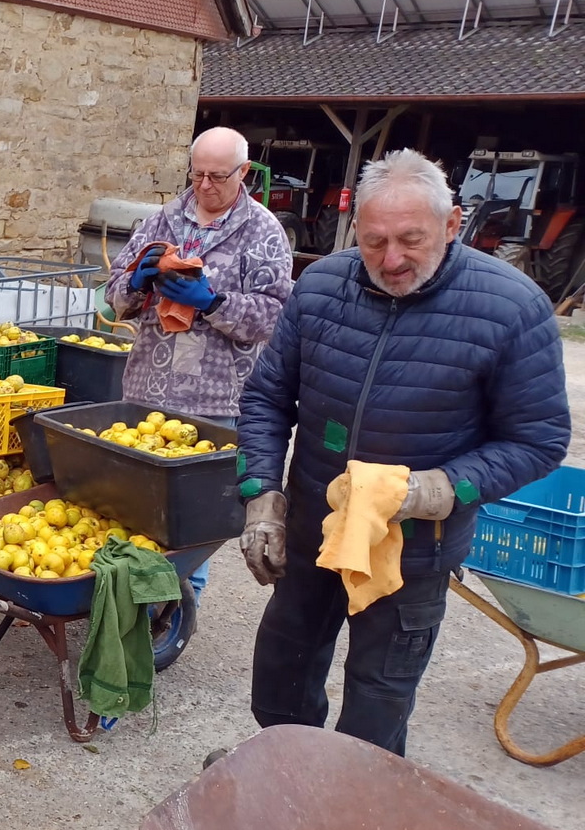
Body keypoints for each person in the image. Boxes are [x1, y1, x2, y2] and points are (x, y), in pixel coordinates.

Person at [236, 148, 569, 756]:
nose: (390, 260)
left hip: (413, 549)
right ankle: (289, 778)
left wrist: (444, 488)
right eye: (373, 241)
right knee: (281, 681)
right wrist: (261, 495)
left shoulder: (512, 308)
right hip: (313, 529)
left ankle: (357, 816)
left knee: (377, 702)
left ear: (451, 224)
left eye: (411, 240)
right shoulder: (320, 286)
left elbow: (539, 438)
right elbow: (265, 399)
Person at [104, 126, 293, 599]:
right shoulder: (161, 221)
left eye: (217, 176)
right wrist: (136, 283)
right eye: (198, 174)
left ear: (244, 172)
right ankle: (133, 597)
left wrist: (213, 302)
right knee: (136, 505)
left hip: (214, 401)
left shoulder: (264, 231)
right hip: (147, 390)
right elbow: (113, 297)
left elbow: (274, 317)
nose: (205, 185)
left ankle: (178, 606)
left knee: (192, 518)